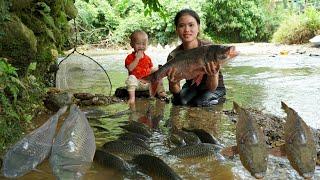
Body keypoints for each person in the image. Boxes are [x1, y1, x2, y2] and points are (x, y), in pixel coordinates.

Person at [166, 9, 226, 106]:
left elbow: (212, 87)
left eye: (191, 25)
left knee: (199, 103)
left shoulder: (210, 49)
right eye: (181, 26)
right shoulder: (174, 55)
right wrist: (173, 83)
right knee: (178, 101)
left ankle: (219, 101)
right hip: (192, 86)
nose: (186, 30)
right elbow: (175, 91)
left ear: (198, 27)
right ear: (176, 29)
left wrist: (213, 74)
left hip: (215, 87)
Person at [125, 30, 167, 106]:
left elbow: (150, 70)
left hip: (147, 83)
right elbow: (130, 69)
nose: (141, 46)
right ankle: (132, 98)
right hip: (136, 84)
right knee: (131, 78)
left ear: (147, 45)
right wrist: (137, 58)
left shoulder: (147, 58)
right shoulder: (130, 57)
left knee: (158, 71)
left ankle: (160, 92)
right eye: (138, 44)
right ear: (132, 44)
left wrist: (157, 70)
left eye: (143, 44)